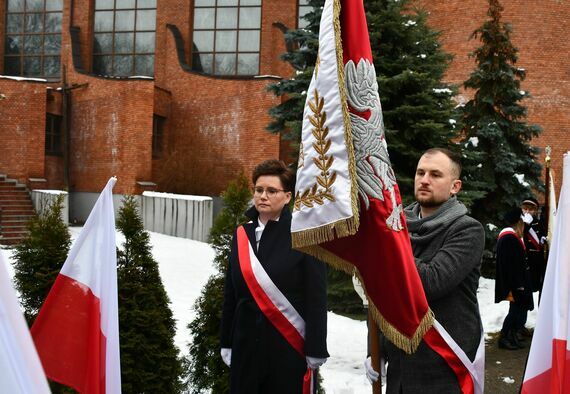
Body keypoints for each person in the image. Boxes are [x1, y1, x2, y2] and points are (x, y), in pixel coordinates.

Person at [365, 147, 485, 393]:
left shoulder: (467, 230)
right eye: (421, 173)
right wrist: (374, 349)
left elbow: (432, 281)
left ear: (455, 187)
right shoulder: (396, 227)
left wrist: (389, 246)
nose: (425, 180)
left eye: (435, 174)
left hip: (444, 366)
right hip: (399, 364)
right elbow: (378, 294)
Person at [220, 159, 329, 393]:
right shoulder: (242, 235)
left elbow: (316, 298)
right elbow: (231, 294)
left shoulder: (304, 236)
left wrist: (316, 347)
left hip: (286, 348)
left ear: (288, 197)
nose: (263, 196)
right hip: (245, 347)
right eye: (259, 190)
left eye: (271, 191)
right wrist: (226, 341)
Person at [494, 207, 534, 350]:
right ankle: (504, 338)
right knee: (514, 312)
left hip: (518, 282)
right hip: (515, 283)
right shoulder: (509, 238)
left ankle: (511, 337)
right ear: (517, 222)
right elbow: (511, 265)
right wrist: (518, 284)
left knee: (517, 310)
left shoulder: (511, 237)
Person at [521, 197, 546, 295]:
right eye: (525, 208)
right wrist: (526, 224)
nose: (527, 211)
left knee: (537, 286)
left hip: (537, 260)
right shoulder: (519, 222)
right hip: (525, 259)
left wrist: (543, 238)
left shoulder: (539, 223)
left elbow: (543, 233)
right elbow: (519, 235)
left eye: (530, 209)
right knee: (525, 288)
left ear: (535, 211)